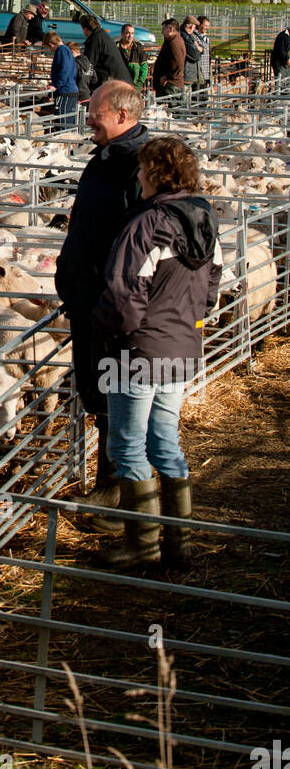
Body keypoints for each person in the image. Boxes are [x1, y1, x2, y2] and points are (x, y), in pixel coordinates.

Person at [91, 135, 221, 569]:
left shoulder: (146, 223)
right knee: (164, 439)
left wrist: (112, 336)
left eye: (144, 169)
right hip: (183, 346)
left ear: (156, 174)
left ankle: (141, 547)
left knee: (127, 446)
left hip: (139, 350)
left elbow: (123, 292)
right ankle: (177, 546)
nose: (140, 176)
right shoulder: (203, 216)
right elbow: (213, 282)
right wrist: (192, 323)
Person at [55, 80, 150, 513]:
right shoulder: (107, 159)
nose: (88, 118)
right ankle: (109, 489)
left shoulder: (135, 166)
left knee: (116, 399)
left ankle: (119, 501)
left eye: (95, 111)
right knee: (99, 395)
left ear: (122, 116)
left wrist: (115, 298)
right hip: (89, 299)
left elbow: (139, 243)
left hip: (110, 306)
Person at [79, 14, 130, 86]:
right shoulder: (103, 35)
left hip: (114, 83)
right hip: (123, 80)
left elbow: (88, 65)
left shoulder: (94, 40)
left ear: (85, 28)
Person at [46, 32, 78, 128]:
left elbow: (64, 69)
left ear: (51, 44)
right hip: (70, 89)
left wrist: (56, 85)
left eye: (49, 48)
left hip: (65, 91)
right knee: (68, 122)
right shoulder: (67, 50)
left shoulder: (61, 50)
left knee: (62, 124)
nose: (50, 50)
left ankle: (65, 142)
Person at [153, 18, 186, 103]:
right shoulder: (172, 41)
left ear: (171, 29)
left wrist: (166, 77)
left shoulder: (174, 43)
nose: (162, 32)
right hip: (171, 83)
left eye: (164, 29)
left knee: (171, 112)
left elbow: (178, 63)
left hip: (171, 85)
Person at [117, 23, 148, 90]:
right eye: (128, 33)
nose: (130, 36)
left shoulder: (138, 48)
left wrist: (137, 85)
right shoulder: (115, 48)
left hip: (135, 88)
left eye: (132, 33)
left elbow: (144, 69)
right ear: (122, 34)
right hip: (119, 88)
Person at [179, 15, 204, 93]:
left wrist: (199, 49)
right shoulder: (185, 37)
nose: (194, 29)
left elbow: (201, 48)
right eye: (194, 27)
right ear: (191, 26)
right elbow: (195, 55)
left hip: (190, 73)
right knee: (186, 99)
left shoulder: (190, 36)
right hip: (186, 73)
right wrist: (198, 49)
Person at [196, 16, 211, 89]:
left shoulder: (207, 39)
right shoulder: (194, 38)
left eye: (208, 26)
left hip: (205, 73)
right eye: (205, 26)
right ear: (199, 25)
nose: (207, 28)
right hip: (197, 74)